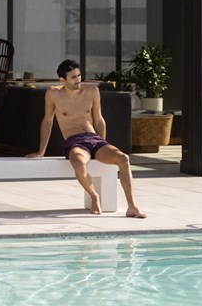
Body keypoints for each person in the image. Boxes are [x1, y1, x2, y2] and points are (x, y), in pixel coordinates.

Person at [27, 59, 147, 218]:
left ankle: (132, 207)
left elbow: (98, 120)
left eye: (79, 75)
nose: (78, 80)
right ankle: (94, 196)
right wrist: (41, 152)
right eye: (73, 77)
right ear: (62, 80)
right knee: (79, 164)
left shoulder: (91, 91)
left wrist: (103, 144)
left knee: (123, 159)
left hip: (94, 139)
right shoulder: (53, 94)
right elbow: (47, 121)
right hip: (74, 142)